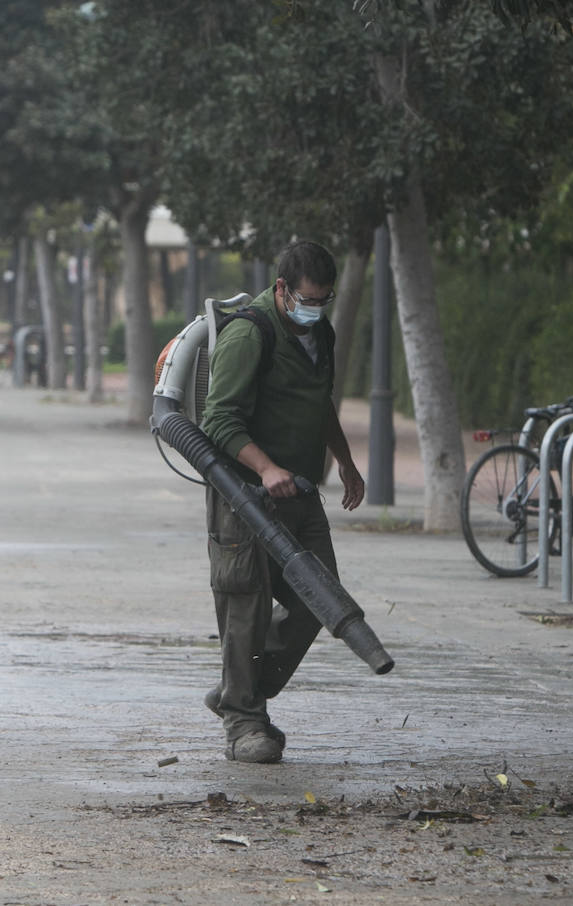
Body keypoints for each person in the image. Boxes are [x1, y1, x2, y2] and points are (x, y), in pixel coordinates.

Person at [198, 240, 366, 764]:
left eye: (324, 299)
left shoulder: (320, 333)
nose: (314, 308)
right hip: (243, 495)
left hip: (300, 493)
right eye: (306, 299)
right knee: (245, 604)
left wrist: (344, 459)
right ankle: (244, 721)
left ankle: (236, 688)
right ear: (282, 290)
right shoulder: (251, 333)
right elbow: (218, 419)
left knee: (322, 599)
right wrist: (266, 469)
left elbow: (319, 403)